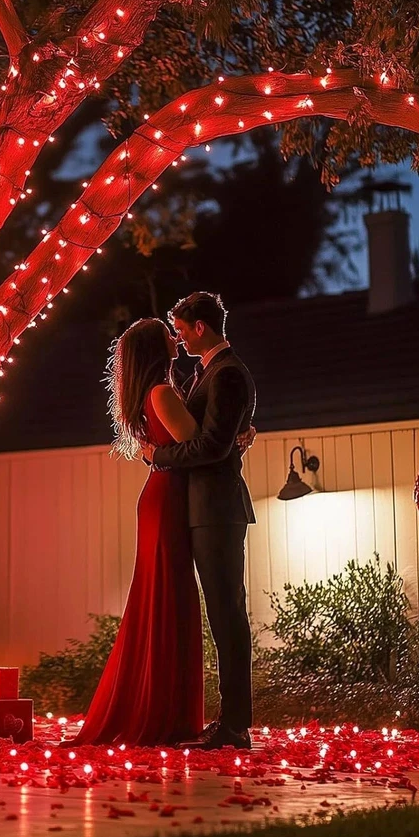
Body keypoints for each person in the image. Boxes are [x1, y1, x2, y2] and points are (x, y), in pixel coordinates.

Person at [69, 317, 251, 747]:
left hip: (168, 497)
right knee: (168, 600)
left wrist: (230, 436)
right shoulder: (163, 392)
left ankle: (164, 711)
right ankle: (162, 715)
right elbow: (199, 446)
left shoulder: (163, 390)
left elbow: (197, 443)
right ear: (156, 347)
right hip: (168, 498)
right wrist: (230, 442)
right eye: (168, 334)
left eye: (178, 329)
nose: (176, 337)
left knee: (168, 601)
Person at [141, 292, 257, 751]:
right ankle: (229, 722)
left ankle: (235, 726)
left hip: (217, 510)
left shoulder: (227, 374)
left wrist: (158, 455)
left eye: (184, 329)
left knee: (228, 613)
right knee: (220, 612)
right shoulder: (209, 373)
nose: (180, 337)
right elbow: (222, 438)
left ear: (201, 327)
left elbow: (211, 446)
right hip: (203, 507)